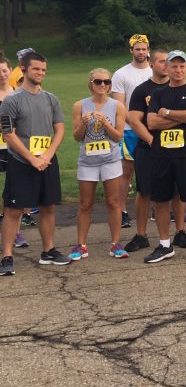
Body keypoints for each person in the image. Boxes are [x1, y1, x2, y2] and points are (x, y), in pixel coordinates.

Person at [0, 51, 70, 275]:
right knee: (13, 210)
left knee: (48, 206)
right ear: (23, 69)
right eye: (36, 69)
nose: (40, 73)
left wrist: (47, 156)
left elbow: (59, 129)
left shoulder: (51, 99)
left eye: (43, 70)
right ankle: (7, 256)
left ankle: (48, 250)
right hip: (21, 161)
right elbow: (8, 134)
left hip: (47, 160)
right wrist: (31, 158)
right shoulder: (12, 100)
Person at [143, 51, 186, 263]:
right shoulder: (158, 93)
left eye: (182, 66)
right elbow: (152, 123)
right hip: (162, 155)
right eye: (173, 66)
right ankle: (165, 245)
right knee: (161, 201)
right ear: (167, 68)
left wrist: (167, 113)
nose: (178, 70)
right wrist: (182, 118)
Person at [123, 50, 186, 253]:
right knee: (145, 191)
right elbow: (134, 120)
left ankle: (180, 232)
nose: (164, 65)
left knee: (177, 191)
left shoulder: (180, 88)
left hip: (177, 146)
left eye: (166, 62)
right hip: (148, 148)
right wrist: (151, 140)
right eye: (161, 61)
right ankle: (141, 234)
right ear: (152, 64)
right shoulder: (142, 90)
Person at [70, 68, 128, 260]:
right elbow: (77, 137)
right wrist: (84, 124)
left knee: (114, 202)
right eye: (98, 82)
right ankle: (81, 245)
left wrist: (106, 123)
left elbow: (119, 136)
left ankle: (116, 244)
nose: (103, 85)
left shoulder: (117, 106)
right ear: (91, 84)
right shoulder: (80, 105)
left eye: (107, 81)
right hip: (88, 161)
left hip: (110, 160)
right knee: (85, 204)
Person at [111, 34, 152, 229]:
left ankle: (156, 207)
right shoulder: (121, 74)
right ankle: (121, 210)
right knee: (126, 172)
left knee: (154, 170)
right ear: (131, 51)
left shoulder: (156, 71)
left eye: (144, 49)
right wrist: (136, 124)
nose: (141, 52)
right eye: (137, 49)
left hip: (154, 128)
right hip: (129, 130)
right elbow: (120, 106)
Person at [0, 56, 30, 251]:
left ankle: (15, 232)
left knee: (13, 192)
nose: (2, 75)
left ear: (11, 71)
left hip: (14, 148)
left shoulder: (18, 94)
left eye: (4, 70)